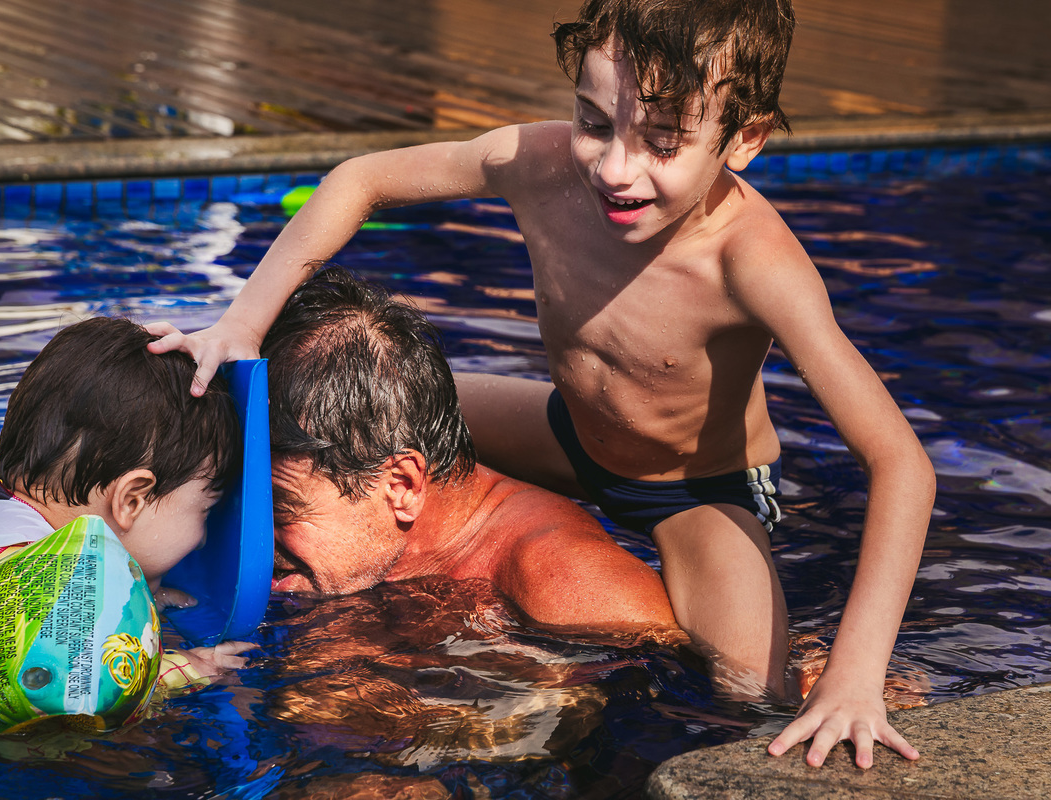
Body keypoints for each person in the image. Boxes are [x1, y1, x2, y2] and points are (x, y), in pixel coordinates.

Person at [147, 0, 935, 769]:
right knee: (359, 418)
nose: (615, 168)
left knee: (746, 700)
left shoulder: (753, 263)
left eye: (663, 142)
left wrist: (856, 675)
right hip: (565, 430)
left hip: (695, 489)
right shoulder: (540, 164)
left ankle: (807, 659)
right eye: (594, 122)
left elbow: (901, 463)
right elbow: (361, 180)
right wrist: (243, 324)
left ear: (745, 139)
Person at [0, 316, 250, 721]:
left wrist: (149, 598)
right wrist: (182, 672)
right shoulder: (30, 589)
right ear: (131, 500)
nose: (202, 539)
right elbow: (69, 701)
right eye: (205, 510)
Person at [261, 267, 678, 639]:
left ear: (401, 485)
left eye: (280, 509)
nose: (250, 534)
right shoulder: (356, 538)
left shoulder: (575, 594)